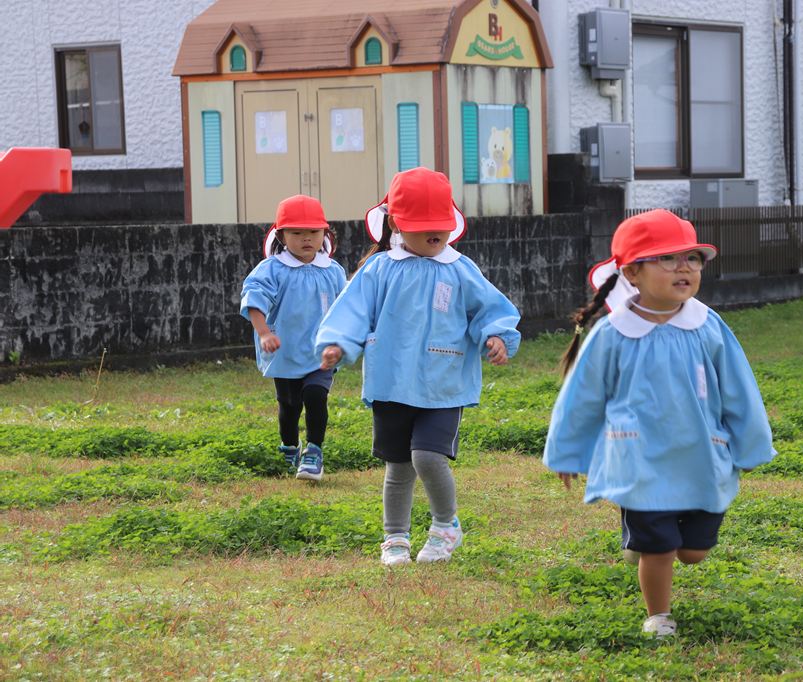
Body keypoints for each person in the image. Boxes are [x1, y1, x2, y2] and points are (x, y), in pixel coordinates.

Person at [543, 209, 775, 637]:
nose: (684, 268)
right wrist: (567, 453)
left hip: (701, 456)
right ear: (632, 272)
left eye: (692, 258)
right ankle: (659, 614)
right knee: (661, 549)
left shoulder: (707, 326)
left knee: (693, 552)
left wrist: (750, 443)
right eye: (667, 259)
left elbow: (739, 389)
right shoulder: (612, 334)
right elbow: (581, 398)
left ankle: (647, 542)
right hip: (640, 461)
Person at [316, 167, 521, 565]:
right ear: (395, 223)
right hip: (392, 382)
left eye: (439, 224)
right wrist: (338, 343)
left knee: (427, 456)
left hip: (443, 384)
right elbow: (352, 311)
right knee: (398, 467)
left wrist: (496, 336)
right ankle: (395, 538)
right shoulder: (379, 269)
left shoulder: (459, 269)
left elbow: (489, 309)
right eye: (421, 225)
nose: (433, 233)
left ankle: (446, 526)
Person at [240, 194, 347, 481]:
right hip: (284, 352)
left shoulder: (333, 271)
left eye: (313, 231)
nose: (306, 238)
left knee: (315, 395)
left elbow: (348, 307)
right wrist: (264, 333)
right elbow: (254, 300)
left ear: (325, 233)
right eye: (297, 233)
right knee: (289, 405)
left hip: (320, 353)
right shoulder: (272, 269)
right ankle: (290, 446)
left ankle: (314, 451)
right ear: (281, 236)